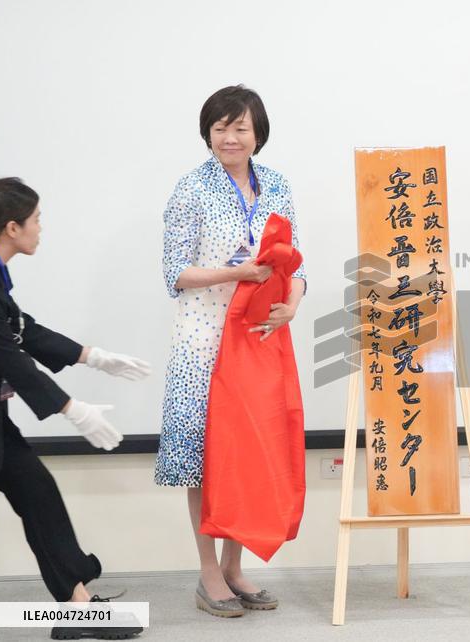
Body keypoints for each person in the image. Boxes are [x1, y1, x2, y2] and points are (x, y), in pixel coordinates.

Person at [156, 85, 306, 617]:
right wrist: (235, 273)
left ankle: (235, 567)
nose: (230, 137)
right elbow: (175, 272)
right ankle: (208, 574)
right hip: (203, 343)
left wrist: (293, 303)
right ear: (208, 134)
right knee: (204, 459)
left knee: (247, 452)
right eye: (220, 127)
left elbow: (295, 260)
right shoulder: (191, 188)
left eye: (240, 127)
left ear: (257, 134)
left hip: (258, 339)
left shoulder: (278, 185)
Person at [0, 177, 148, 639]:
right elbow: (6, 355)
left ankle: (77, 607)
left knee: (38, 494)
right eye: (36, 219)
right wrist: (70, 408)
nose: (41, 228)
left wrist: (93, 357)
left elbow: (22, 329)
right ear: (13, 227)